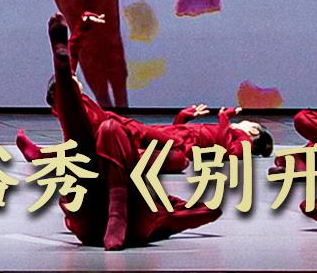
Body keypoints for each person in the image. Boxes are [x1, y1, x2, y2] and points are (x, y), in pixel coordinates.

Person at [26, 13, 267, 249]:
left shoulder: (75, 107)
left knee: (102, 136)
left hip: (91, 206)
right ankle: (116, 210)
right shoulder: (77, 106)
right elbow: (196, 212)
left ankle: (51, 156)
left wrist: (80, 31)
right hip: (121, 189)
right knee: (112, 133)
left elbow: (206, 197)